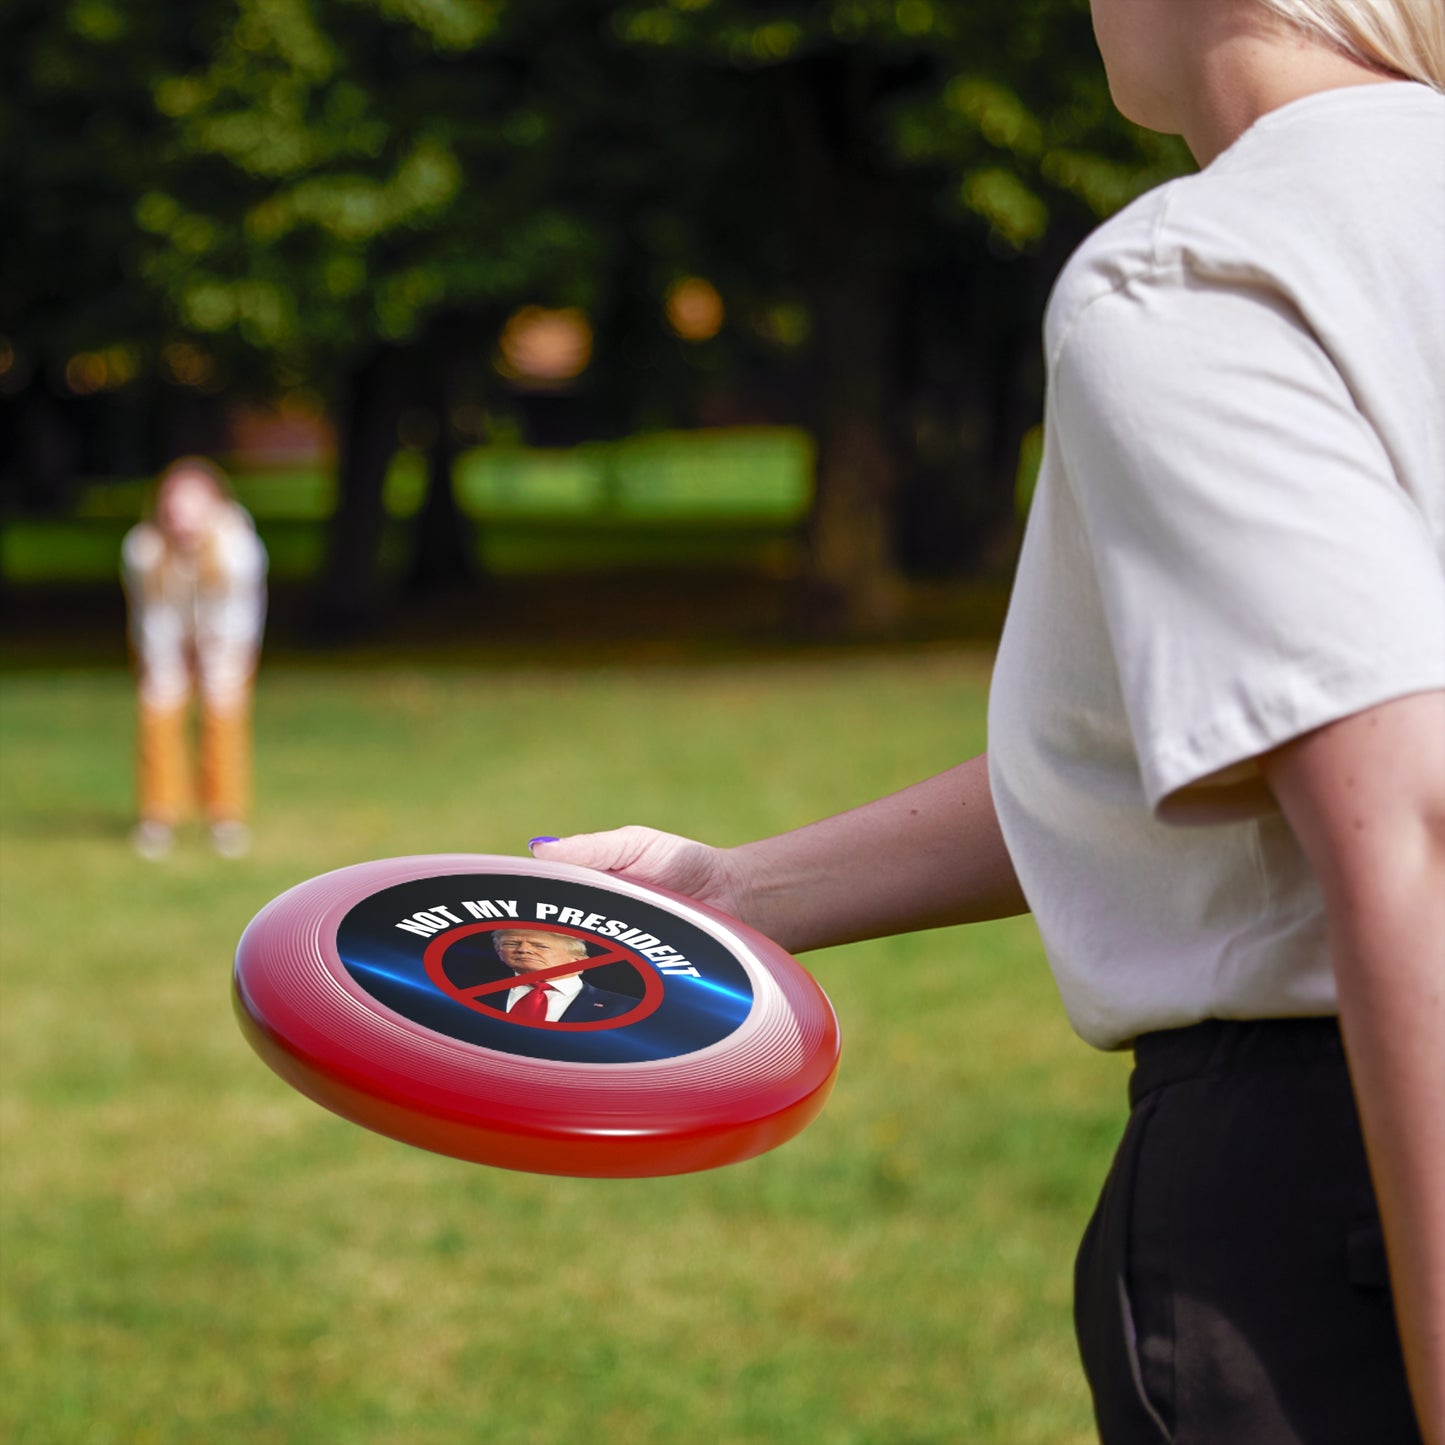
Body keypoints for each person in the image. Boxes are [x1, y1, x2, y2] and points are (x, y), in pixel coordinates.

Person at [527, 2, 1445, 1440]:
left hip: (1342, 1192)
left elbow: (1410, 823)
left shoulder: (1204, 270)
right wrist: (736, 890)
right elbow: (1211, 740)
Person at [121, 457, 268, 860]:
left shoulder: (238, 549)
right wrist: (168, 665)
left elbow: (239, 616)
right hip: (165, 640)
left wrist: (215, 659)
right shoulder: (143, 549)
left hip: (226, 642)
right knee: (158, 713)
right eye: (174, 506)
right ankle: (158, 816)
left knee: (223, 717)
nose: (182, 517)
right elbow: (152, 616)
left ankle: (225, 817)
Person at [488, 929, 638, 1023]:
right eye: (511, 944)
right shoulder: (474, 996)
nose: (523, 949)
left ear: (577, 960)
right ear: (499, 953)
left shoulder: (627, 1008)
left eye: (541, 946)